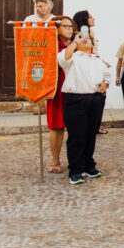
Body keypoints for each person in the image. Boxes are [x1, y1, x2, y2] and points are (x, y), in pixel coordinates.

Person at [58, 31, 111, 184]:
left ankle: (89, 165)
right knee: (76, 136)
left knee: (90, 134)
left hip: (95, 99)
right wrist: (75, 42)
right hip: (76, 99)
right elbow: (63, 58)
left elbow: (107, 74)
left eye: (88, 39)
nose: (86, 40)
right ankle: (75, 170)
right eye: (82, 39)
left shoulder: (98, 59)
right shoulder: (72, 57)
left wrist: (105, 84)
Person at [46, 16, 75, 173]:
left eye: (71, 26)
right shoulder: (52, 45)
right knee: (57, 127)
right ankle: (55, 159)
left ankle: (77, 160)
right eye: (66, 26)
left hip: (77, 89)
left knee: (77, 127)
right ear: (56, 28)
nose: (70, 29)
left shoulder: (78, 44)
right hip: (58, 89)